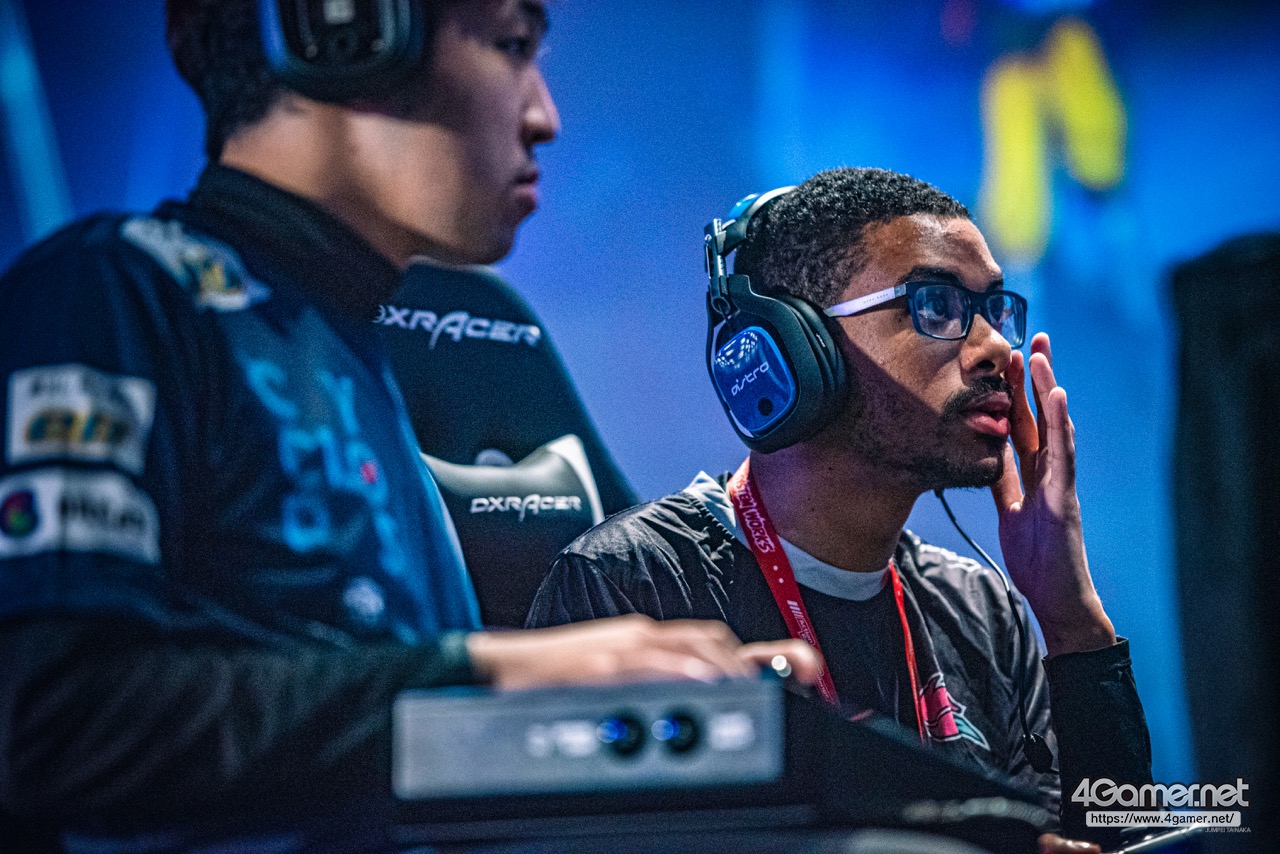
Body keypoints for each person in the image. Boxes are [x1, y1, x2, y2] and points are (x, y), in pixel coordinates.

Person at [0, 1, 818, 849]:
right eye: (511, 45)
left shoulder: (347, 339)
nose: (545, 116)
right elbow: (54, 724)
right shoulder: (111, 294)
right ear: (348, 35)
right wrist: (484, 676)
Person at [527, 167, 1154, 852]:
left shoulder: (980, 609)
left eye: (994, 309)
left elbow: (1117, 838)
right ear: (799, 348)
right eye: (937, 305)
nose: (997, 349)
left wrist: (1070, 623)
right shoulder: (632, 585)